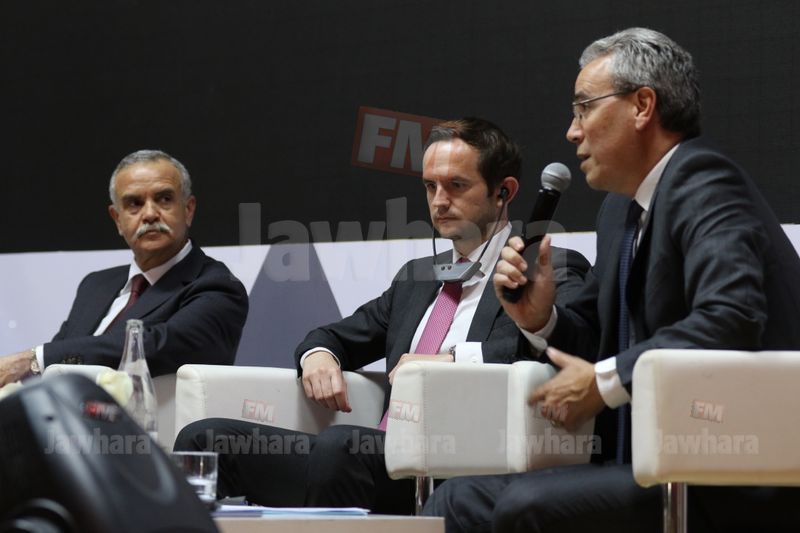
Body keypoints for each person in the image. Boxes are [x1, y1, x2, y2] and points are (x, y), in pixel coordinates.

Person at [424, 28, 800, 532]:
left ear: (642, 106)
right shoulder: (619, 210)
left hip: (728, 473)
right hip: (639, 464)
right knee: (458, 498)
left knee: (526, 505)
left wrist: (606, 382)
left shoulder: (704, 180)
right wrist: (542, 318)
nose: (571, 131)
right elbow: (596, 339)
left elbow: (730, 318)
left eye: (583, 108)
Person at [174, 117, 591, 513]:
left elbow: (567, 346)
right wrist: (319, 355)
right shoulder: (416, 279)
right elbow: (337, 335)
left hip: (463, 462)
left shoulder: (548, 268)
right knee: (206, 440)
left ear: (504, 191)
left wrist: (451, 362)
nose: (439, 201)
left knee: (340, 448)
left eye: (456, 185)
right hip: (377, 456)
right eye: (430, 186)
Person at [0, 149, 249, 385]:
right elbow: (60, 362)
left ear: (188, 209)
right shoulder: (95, 285)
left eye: (164, 199)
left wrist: (34, 359)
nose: (150, 214)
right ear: (118, 219)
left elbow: (156, 346)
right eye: (134, 203)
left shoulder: (217, 286)